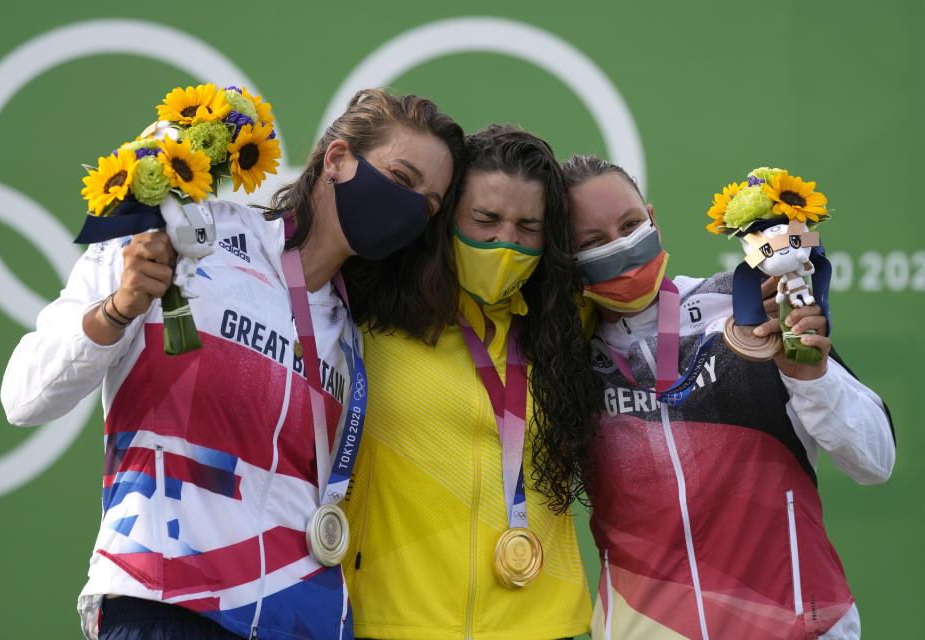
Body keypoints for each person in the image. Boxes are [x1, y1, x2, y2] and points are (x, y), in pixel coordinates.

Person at [0, 88, 464, 640]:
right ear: (337, 160)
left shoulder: (353, 335)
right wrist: (118, 309)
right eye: (402, 178)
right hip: (166, 600)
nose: (412, 208)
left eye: (429, 205)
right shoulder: (188, 237)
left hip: (303, 621)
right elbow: (25, 396)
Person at [551, 155, 895, 640]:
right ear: (565, 259)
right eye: (592, 241)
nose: (622, 246)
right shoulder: (565, 364)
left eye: (631, 225)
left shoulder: (746, 307)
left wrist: (812, 378)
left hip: (799, 629)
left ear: (653, 219)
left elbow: (876, 461)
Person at [340, 125, 600, 640]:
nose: (506, 240)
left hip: (545, 625)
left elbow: (664, 309)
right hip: (391, 622)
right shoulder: (370, 311)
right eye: (485, 219)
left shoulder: (570, 321)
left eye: (529, 226)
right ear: (445, 215)